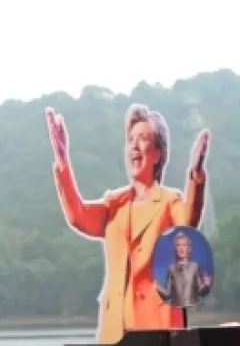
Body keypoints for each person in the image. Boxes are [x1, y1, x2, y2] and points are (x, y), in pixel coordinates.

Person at [47, 105, 209, 344]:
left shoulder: (169, 201)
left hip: (158, 328)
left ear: (157, 153)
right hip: (115, 331)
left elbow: (188, 222)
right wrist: (62, 161)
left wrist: (195, 174)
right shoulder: (114, 204)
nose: (134, 146)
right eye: (130, 140)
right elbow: (78, 216)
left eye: (143, 139)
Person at [156, 231, 212, 308]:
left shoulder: (194, 267)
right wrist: (157, 287)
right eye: (178, 245)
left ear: (189, 249)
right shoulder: (171, 268)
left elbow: (201, 291)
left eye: (184, 245)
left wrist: (206, 285)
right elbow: (167, 294)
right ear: (175, 249)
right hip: (176, 309)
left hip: (191, 309)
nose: (181, 248)